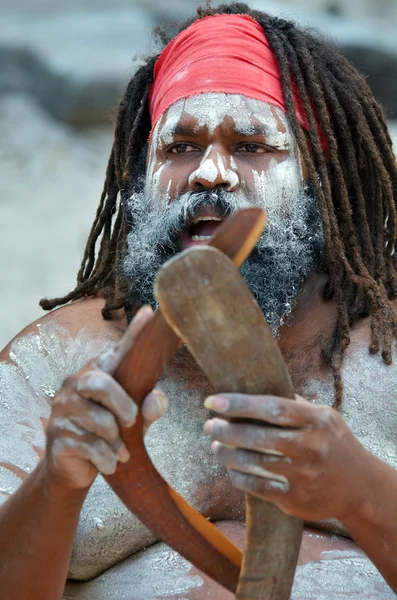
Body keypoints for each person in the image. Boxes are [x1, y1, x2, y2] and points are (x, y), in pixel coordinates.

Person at [1, 2, 397, 598]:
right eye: (180, 147)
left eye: (251, 145)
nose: (211, 172)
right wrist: (58, 479)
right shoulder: (56, 364)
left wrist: (362, 490)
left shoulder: (387, 367)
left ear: (318, 175)